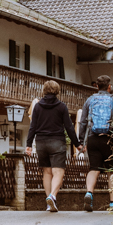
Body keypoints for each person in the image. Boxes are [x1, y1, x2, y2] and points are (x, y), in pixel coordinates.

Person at [24, 80, 79, 213]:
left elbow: (33, 127)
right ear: (57, 91)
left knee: (47, 172)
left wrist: (28, 144)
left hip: (41, 142)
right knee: (58, 172)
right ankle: (52, 196)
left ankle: (49, 203)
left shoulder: (37, 107)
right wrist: (77, 143)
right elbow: (69, 127)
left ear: (44, 90)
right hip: (57, 142)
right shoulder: (61, 106)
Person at [76, 74, 113, 212]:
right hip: (109, 139)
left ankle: (89, 193)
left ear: (97, 86)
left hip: (93, 138)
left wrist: (82, 141)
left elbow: (83, 122)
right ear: (109, 87)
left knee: (94, 168)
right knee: (112, 171)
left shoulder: (90, 100)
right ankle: (112, 202)